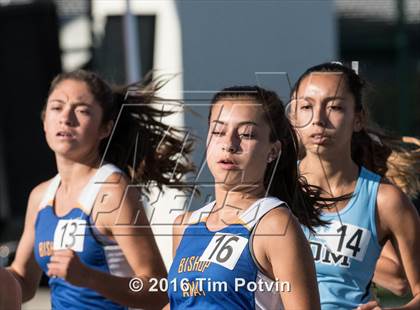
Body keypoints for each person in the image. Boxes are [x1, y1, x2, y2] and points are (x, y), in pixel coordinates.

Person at [0, 69, 194, 309]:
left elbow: (158, 289)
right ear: (44, 122)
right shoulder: (41, 196)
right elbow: (23, 283)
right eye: (57, 107)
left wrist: (89, 278)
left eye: (82, 110)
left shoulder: (111, 191)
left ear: (106, 128)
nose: (66, 118)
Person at [167, 86, 323, 309]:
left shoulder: (275, 225)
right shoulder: (184, 225)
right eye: (218, 132)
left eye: (247, 134)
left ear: (273, 151)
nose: (229, 144)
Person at [289, 62, 420, 309]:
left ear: (358, 119)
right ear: (294, 118)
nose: (318, 119)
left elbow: (404, 283)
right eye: (306, 107)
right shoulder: (269, 189)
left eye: (335, 107)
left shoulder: (385, 199)